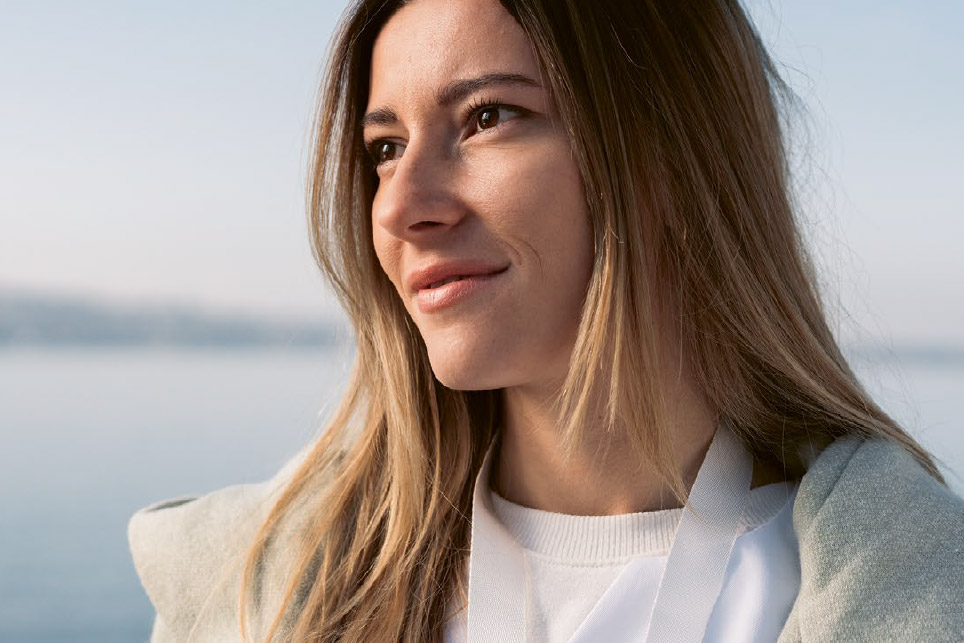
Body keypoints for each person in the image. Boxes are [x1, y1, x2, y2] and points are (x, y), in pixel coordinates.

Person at [128, 0, 964, 641]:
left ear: (668, 156)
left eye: (488, 117)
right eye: (384, 148)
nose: (404, 206)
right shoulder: (258, 593)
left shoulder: (897, 587)